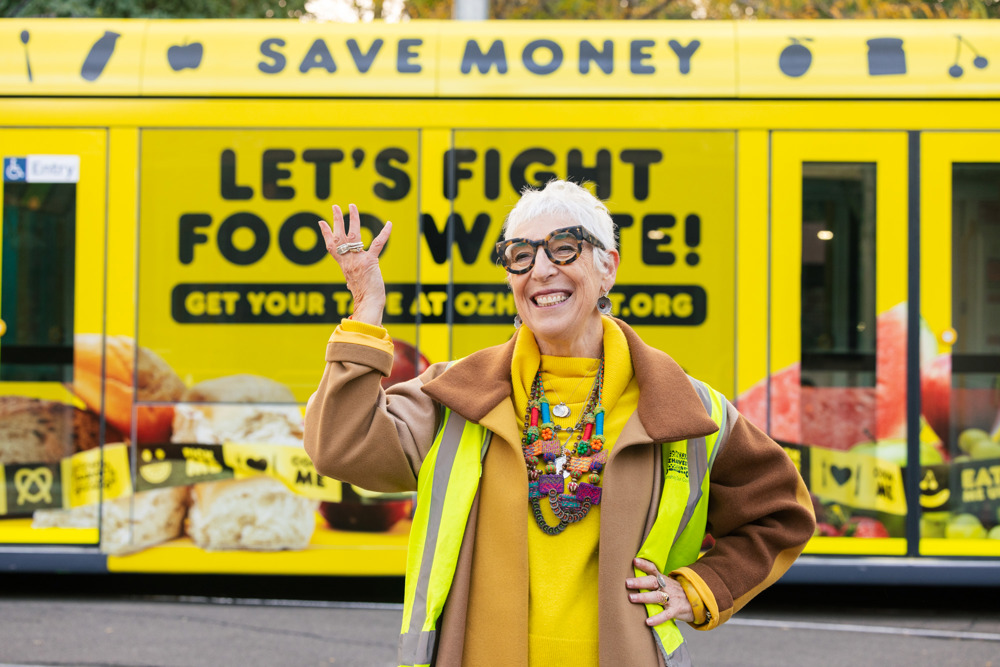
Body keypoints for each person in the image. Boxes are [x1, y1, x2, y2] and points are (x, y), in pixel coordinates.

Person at [304, 180, 815, 667]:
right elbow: (340, 445)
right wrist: (366, 311)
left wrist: (699, 589)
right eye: (521, 255)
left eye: (564, 248)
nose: (541, 269)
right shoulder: (458, 395)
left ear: (607, 267)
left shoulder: (687, 409)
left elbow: (780, 513)